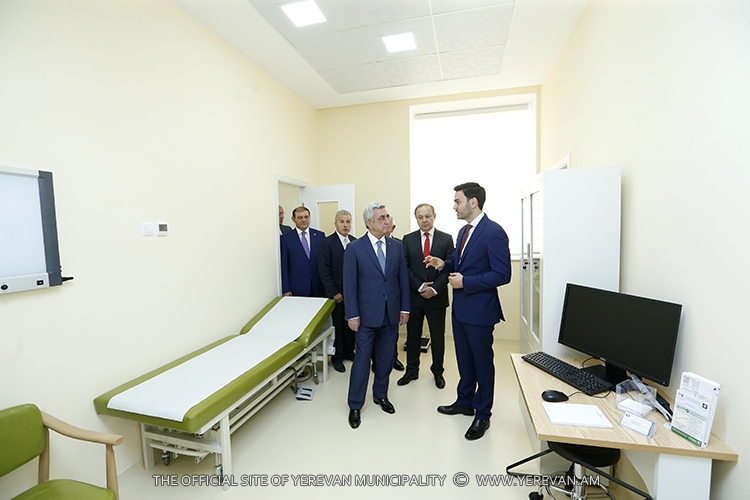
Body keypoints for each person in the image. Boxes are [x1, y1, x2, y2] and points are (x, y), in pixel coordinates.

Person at [425, 182, 511, 440]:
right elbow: (459, 262)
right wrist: (443, 264)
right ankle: (465, 401)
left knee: (482, 363)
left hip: (480, 311)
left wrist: (466, 282)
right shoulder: (464, 231)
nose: (454, 206)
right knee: (464, 359)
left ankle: (483, 414)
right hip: (461, 308)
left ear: (473, 202)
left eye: (457, 201)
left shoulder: (494, 232)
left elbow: (502, 274)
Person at [344, 202, 410, 429]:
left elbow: (402, 280)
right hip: (365, 316)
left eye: (387, 216)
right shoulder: (355, 248)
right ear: (369, 223)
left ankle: (380, 395)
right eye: (381, 218)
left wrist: (405, 308)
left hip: (391, 314)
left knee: (385, 359)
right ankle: (355, 404)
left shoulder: (396, 246)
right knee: (362, 361)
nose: (387, 221)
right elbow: (349, 285)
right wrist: (352, 314)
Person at [399, 203, 455, 389]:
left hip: (437, 297)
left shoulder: (446, 239)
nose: (424, 220)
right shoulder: (408, 239)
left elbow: (450, 267)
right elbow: (404, 267)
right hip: (415, 297)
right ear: (416, 219)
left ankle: (438, 372)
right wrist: (420, 286)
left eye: (427, 216)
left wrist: (435, 289)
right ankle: (411, 371)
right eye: (420, 217)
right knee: (413, 337)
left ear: (434, 216)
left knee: (437, 337)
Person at [318, 210, 356, 373]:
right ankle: (337, 357)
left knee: (351, 324)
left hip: (353, 294)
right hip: (337, 294)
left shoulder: (355, 242)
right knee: (338, 326)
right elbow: (324, 270)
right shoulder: (327, 243)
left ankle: (349, 351)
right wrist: (334, 292)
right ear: (335, 224)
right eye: (342, 222)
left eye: (348, 222)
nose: (345, 225)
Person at [280, 206, 325, 297]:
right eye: (300, 218)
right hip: (297, 288)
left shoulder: (320, 236)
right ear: (293, 219)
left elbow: (325, 261)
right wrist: (286, 289)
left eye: (306, 217)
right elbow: (284, 266)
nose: (304, 220)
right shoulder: (286, 239)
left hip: (318, 286)